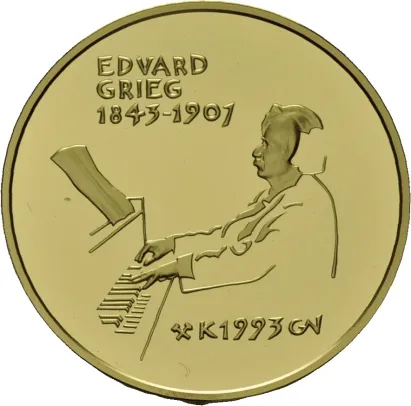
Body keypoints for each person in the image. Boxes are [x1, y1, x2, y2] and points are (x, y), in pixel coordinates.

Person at [132, 104, 338, 292]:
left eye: (267, 144)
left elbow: (250, 263)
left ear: (293, 153)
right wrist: (172, 245)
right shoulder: (272, 195)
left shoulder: (305, 202)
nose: (256, 152)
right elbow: (227, 237)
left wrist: (178, 267)